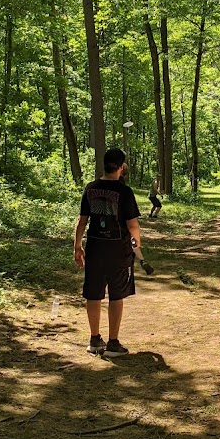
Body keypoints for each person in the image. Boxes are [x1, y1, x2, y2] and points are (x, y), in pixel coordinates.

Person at [73, 147, 142, 356]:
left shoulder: (90, 188)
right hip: (118, 251)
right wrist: (137, 244)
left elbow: (82, 221)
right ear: (121, 167)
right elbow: (133, 225)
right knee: (116, 295)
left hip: (94, 249)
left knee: (93, 294)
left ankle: (94, 340)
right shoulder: (124, 191)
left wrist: (77, 246)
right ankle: (113, 343)